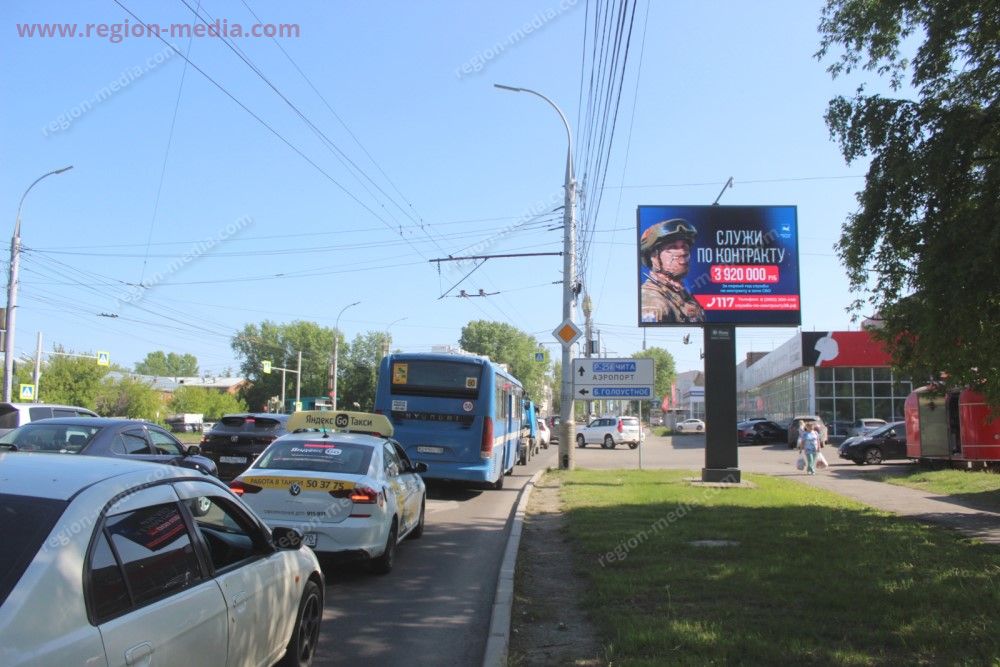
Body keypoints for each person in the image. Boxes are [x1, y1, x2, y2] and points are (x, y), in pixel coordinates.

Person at [640, 218, 705, 323]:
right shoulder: (653, 303)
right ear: (653, 257)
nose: (682, 252)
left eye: (684, 246)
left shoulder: (680, 293)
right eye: (673, 247)